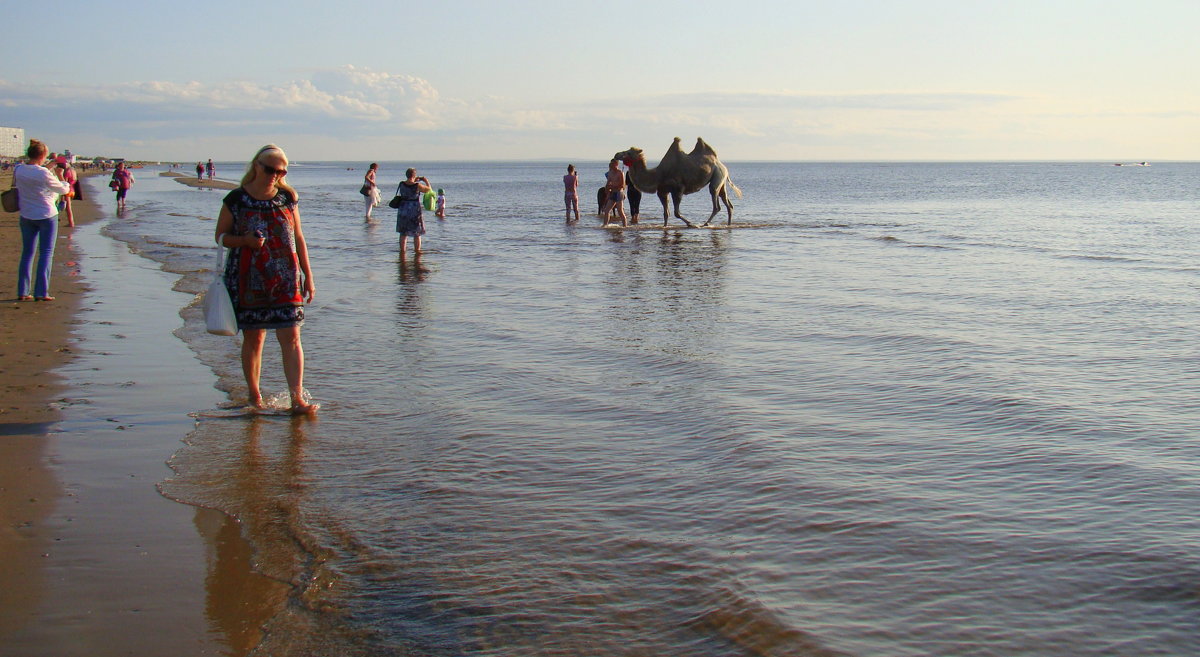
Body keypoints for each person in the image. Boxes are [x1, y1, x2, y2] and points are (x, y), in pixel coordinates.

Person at [213, 144, 317, 415]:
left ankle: (297, 399)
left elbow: (299, 238)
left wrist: (308, 275)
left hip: (286, 277)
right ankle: (254, 395)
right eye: (270, 169)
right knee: (254, 337)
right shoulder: (236, 200)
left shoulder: (287, 198)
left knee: (292, 336)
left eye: (281, 171)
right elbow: (220, 237)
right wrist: (246, 241)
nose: (275, 175)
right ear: (256, 165)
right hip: (248, 278)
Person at [13, 139, 71, 301]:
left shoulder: (19, 169)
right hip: (46, 215)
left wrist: (50, 166)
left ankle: (23, 291)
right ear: (43, 155)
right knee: (45, 253)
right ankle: (41, 292)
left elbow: (36, 173)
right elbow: (62, 189)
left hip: (26, 214)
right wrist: (61, 177)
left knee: (27, 253)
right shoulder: (43, 173)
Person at [394, 167, 431, 256]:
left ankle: (402, 251)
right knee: (417, 232)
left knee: (403, 232)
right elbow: (428, 190)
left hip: (403, 208)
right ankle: (417, 251)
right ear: (414, 175)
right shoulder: (417, 185)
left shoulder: (401, 184)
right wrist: (426, 181)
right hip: (414, 208)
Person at [600, 159, 628, 227]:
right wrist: (607, 190)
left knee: (620, 211)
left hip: (619, 193)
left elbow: (622, 185)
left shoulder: (620, 173)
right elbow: (607, 184)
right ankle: (605, 225)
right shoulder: (610, 173)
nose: (611, 165)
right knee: (607, 210)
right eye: (611, 163)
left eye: (613, 163)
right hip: (613, 193)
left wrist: (613, 187)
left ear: (616, 164)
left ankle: (625, 226)